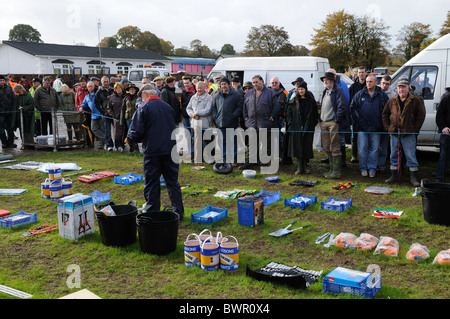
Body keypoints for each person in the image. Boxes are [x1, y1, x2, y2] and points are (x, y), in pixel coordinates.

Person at [126, 84, 184, 220]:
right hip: (170, 149)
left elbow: (137, 131)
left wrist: (129, 139)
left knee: (152, 183)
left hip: (153, 151)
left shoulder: (144, 108)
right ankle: (178, 213)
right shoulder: (167, 107)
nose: (142, 99)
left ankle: (153, 213)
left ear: (145, 94)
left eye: (142, 97)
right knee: (173, 182)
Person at [382, 78, 426, 186]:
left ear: (408, 88)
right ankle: (394, 175)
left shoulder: (416, 100)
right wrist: (388, 128)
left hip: (409, 134)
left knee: (410, 156)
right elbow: (385, 114)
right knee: (393, 155)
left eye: (403, 87)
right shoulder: (392, 100)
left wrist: (415, 130)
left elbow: (421, 116)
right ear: (397, 88)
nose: (401, 90)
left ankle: (413, 178)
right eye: (399, 87)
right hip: (394, 134)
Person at [350, 75, 389, 178]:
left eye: (371, 81)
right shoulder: (359, 94)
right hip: (362, 128)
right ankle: (363, 168)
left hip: (376, 128)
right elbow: (352, 108)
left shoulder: (382, 95)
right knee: (362, 148)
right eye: (367, 81)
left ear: (376, 82)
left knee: (374, 149)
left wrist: (381, 123)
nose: (368, 83)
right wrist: (359, 120)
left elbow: (387, 110)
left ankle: (372, 168)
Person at [241, 75, 280, 169]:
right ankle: (249, 162)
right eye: (253, 82)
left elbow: (276, 106)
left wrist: (272, 116)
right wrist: (245, 116)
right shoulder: (249, 93)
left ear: (262, 81)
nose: (255, 84)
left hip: (265, 123)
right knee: (251, 144)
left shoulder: (270, 93)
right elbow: (244, 106)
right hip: (252, 123)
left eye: (257, 82)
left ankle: (264, 162)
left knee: (265, 144)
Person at [319, 71, 349, 179]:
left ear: (332, 81)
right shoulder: (325, 91)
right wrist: (321, 119)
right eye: (324, 80)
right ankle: (331, 169)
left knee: (335, 146)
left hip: (333, 122)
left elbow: (343, 106)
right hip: (324, 122)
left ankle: (336, 172)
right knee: (327, 147)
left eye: (326, 79)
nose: (324, 81)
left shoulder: (338, 91)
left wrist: (336, 120)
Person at [285, 80, 319, 174]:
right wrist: (291, 124)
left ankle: (305, 166)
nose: (300, 91)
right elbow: (288, 114)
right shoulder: (293, 101)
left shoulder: (311, 101)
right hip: (296, 127)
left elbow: (315, 114)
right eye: (299, 89)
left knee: (306, 147)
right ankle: (299, 167)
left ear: (305, 89)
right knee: (298, 147)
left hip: (308, 127)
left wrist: (312, 124)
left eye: (302, 89)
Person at [211, 76, 243, 163]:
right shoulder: (218, 96)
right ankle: (225, 157)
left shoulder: (236, 95)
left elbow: (240, 107)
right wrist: (216, 117)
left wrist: (233, 116)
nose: (223, 86)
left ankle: (234, 158)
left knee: (232, 141)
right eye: (221, 84)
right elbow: (214, 108)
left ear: (228, 84)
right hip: (220, 123)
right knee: (222, 141)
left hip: (232, 123)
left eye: (224, 84)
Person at [186, 81, 213, 162]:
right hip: (196, 123)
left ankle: (210, 158)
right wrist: (192, 115)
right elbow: (188, 108)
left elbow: (208, 110)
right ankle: (198, 158)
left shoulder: (208, 97)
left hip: (206, 123)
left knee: (208, 141)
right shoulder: (193, 97)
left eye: (201, 88)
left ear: (204, 88)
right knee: (197, 142)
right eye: (198, 88)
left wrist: (197, 113)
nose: (199, 89)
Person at [349, 66, 368, 164]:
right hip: (355, 115)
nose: (361, 74)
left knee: (365, 136)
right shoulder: (353, 86)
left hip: (366, 115)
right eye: (359, 72)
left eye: (363, 72)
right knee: (354, 135)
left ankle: (364, 155)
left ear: (366, 73)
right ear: (357, 74)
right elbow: (350, 102)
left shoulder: (368, 85)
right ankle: (354, 155)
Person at [378, 75, 395, 171]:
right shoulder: (375, 91)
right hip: (375, 121)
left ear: (390, 84)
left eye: (387, 84)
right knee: (374, 145)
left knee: (383, 146)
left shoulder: (392, 95)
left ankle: (381, 164)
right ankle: (374, 163)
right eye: (383, 83)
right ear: (380, 82)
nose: (384, 85)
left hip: (386, 123)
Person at [81, 81, 105, 149]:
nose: (90, 88)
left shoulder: (98, 93)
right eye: (88, 87)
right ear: (87, 88)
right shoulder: (87, 96)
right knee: (94, 128)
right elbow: (84, 104)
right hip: (93, 115)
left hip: (100, 114)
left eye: (91, 86)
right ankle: (106, 139)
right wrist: (81, 107)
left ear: (94, 87)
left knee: (102, 129)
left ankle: (102, 144)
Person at [270, 77, 288, 160]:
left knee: (280, 138)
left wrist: (283, 116)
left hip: (280, 120)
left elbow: (287, 107)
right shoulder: (267, 92)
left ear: (279, 83)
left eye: (276, 82)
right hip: (269, 120)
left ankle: (280, 155)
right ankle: (270, 155)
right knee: (269, 138)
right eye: (272, 82)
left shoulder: (284, 93)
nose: (274, 84)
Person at [94, 76, 114, 151]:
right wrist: (103, 112)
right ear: (101, 83)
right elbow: (96, 104)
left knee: (117, 130)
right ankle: (109, 145)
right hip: (105, 114)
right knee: (107, 130)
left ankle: (119, 144)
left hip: (114, 113)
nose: (106, 83)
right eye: (104, 82)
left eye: (107, 81)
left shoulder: (113, 89)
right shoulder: (99, 91)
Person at [435, 87, 450, 182]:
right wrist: (443, 127)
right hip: (446, 134)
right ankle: (439, 179)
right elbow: (439, 115)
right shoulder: (447, 97)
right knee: (444, 157)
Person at [121, 83, 139, 153]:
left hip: (135, 118)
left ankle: (136, 147)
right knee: (130, 133)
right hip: (127, 118)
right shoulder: (126, 98)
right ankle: (132, 148)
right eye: (130, 89)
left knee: (134, 133)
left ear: (135, 90)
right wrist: (122, 120)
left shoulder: (138, 97)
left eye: (133, 89)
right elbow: (123, 109)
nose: (131, 90)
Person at [107, 82, 126, 151]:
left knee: (124, 132)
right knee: (117, 133)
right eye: (117, 88)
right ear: (115, 89)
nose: (118, 89)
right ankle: (117, 146)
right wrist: (113, 115)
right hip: (116, 117)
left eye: (120, 87)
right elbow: (109, 108)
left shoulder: (126, 96)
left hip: (125, 117)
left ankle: (123, 144)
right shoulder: (111, 98)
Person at [75, 76, 92, 146]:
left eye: (84, 81)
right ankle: (84, 142)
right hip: (81, 112)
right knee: (82, 128)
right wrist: (78, 109)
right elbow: (77, 101)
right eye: (81, 82)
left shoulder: (89, 89)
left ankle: (90, 142)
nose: (82, 83)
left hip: (89, 112)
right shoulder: (79, 90)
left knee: (89, 128)